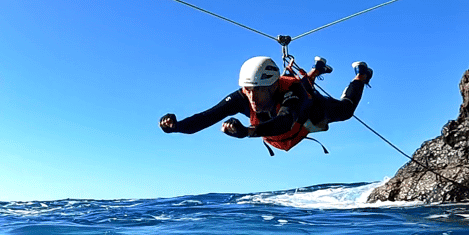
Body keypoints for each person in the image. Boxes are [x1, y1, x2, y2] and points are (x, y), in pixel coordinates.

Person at [159, 56, 373, 153]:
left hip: (311, 111)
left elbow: (285, 121)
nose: (251, 97)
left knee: (345, 111)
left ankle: (361, 76)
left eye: (258, 91)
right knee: (300, 85)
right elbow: (207, 117)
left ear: (273, 86)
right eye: (248, 90)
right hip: (284, 124)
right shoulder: (243, 96)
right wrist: (177, 127)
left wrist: (248, 132)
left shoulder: (291, 91)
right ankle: (317, 69)